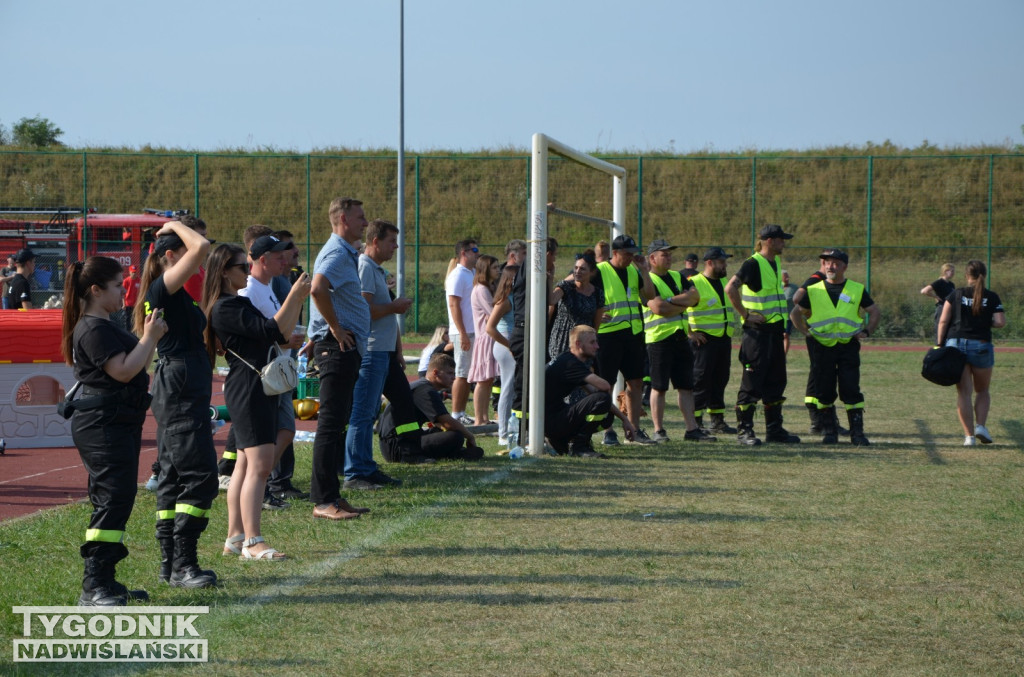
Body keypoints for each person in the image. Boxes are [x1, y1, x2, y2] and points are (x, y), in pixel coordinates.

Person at [62, 256, 167, 605]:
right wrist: (149, 337)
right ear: (95, 290)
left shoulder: (103, 324)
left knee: (116, 497)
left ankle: (105, 580)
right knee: (113, 497)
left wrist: (147, 339)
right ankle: (94, 586)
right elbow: (122, 370)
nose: (124, 291)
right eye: (117, 285)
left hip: (115, 421)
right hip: (102, 423)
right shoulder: (92, 329)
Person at [205, 244, 311, 561]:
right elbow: (272, 329)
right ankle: (253, 541)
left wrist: (296, 299)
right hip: (249, 388)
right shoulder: (225, 307)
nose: (247, 270)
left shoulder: (236, 302)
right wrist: (296, 295)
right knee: (260, 466)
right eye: (241, 266)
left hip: (253, 386)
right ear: (224, 271)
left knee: (246, 466)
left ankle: (235, 538)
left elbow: (275, 334)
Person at [133, 221, 218, 588]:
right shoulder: (163, 288)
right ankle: (184, 564)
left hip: (178, 385)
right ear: (170, 256)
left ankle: (170, 564)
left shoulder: (173, 291)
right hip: (180, 387)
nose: (196, 265)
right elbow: (201, 247)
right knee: (200, 475)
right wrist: (173, 224)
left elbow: (198, 251)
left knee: (171, 474)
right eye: (185, 258)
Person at [308, 197, 373, 520]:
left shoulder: (345, 253)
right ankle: (323, 501)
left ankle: (332, 495)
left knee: (337, 423)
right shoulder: (335, 252)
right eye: (360, 218)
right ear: (344, 220)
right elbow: (317, 288)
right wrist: (334, 328)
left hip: (342, 347)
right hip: (337, 349)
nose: (365, 223)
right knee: (330, 425)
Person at [237, 234, 306, 507]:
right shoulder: (249, 291)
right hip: (263, 375)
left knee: (285, 431)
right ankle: (257, 489)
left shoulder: (267, 286)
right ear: (262, 260)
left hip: (279, 372)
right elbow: (254, 334)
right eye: (278, 257)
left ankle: (258, 485)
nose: (284, 261)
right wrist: (284, 340)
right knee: (260, 443)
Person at [344, 219, 410, 490]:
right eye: (391, 241)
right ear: (375, 242)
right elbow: (364, 310)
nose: (395, 246)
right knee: (362, 412)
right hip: (370, 350)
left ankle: (366, 467)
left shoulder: (375, 269)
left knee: (369, 411)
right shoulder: (366, 268)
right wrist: (393, 307)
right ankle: (355, 472)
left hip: (381, 350)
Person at [790, 249, 881, 445]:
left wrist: (866, 331)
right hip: (822, 347)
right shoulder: (814, 290)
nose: (830, 266)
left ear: (844, 267)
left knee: (851, 388)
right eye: (827, 263)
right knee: (824, 390)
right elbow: (795, 313)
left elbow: (874, 311)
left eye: (835, 263)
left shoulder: (856, 289)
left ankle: (857, 433)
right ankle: (829, 432)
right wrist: (806, 331)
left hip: (848, 346)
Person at [725, 224, 800, 446]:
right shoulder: (753, 263)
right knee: (752, 383)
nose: (783, 243)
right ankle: (744, 431)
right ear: (769, 241)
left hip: (775, 333)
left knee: (776, 381)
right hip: (756, 335)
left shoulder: (774, 262)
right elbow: (731, 288)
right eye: (780, 239)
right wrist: (745, 314)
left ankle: (774, 430)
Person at [643, 239, 716, 443]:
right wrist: (680, 303)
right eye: (664, 254)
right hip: (659, 339)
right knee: (659, 387)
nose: (669, 258)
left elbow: (695, 297)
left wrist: (670, 302)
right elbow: (658, 308)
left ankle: (691, 429)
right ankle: (659, 430)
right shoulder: (647, 280)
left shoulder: (677, 276)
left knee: (686, 386)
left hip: (680, 337)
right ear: (652, 258)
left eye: (670, 254)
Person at [593, 235, 656, 446]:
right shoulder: (599, 270)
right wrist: (594, 315)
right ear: (616, 252)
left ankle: (634, 430)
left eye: (633, 253)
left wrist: (645, 271)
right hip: (608, 336)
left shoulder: (633, 271)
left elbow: (649, 296)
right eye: (628, 253)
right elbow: (579, 290)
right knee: (606, 385)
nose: (631, 257)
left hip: (633, 335)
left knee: (635, 382)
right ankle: (607, 430)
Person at [936, 260, 1006, 446]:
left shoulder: (956, 293)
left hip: (956, 345)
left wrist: (939, 344)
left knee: (963, 393)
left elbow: (943, 321)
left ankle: (969, 437)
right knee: (982, 390)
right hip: (981, 345)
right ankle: (981, 426)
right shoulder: (991, 296)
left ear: (967, 276)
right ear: (984, 274)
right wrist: (984, 323)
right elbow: (1000, 322)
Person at [545, 325, 636, 457]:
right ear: (578, 344)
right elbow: (605, 387)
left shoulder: (568, 359)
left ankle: (564, 440)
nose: (597, 347)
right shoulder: (571, 363)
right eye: (592, 342)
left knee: (607, 414)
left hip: (551, 418)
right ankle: (579, 446)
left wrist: (624, 420)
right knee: (603, 399)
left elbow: (594, 392)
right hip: (550, 422)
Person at [378, 353, 485, 462]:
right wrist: (470, 436)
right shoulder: (425, 391)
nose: (453, 378)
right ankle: (451, 454)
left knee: (441, 431)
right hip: (399, 448)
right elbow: (447, 422)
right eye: (450, 373)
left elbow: (440, 423)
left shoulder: (422, 387)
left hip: (398, 442)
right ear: (435, 373)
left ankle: (454, 453)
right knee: (456, 436)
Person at [686, 247, 738, 435]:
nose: (725, 265)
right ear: (709, 263)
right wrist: (690, 333)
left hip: (723, 338)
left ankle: (717, 420)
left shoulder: (724, 281)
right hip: (704, 341)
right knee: (700, 381)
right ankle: (696, 421)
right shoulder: (694, 283)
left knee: (720, 379)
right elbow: (681, 309)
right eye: (721, 262)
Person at [445, 239, 479, 424]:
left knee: (470, 374)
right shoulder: (457, 275)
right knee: (462, 373)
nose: (478, 253)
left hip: (475, 331)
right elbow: (453, 304)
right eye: (474, 250)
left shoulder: (472, 273)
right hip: (464, 332)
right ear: (464, 253)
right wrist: (463, 333)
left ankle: (463, 413)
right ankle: (456, 414)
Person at [548, 253, 605, 362]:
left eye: (582, 269)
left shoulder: (598, 294)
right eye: (576, 268)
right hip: (562, 342)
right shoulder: (565, 287)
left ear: (592, 272)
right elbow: (551, 300)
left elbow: (595, 326)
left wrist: (591, 343)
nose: (577, 271)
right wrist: (550, 280)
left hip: (583, 345)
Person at [485, 265, 518, 446]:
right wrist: (510, 345)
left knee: (513, 388)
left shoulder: (516, 298)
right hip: (506, 345)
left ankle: (513, 429)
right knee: (507, 388)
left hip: (512, 345)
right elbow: (490, 328)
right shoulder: (504, 301)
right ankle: (503, 433)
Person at [468, 255, 500, 424]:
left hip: (489, 337)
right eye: (495, 268)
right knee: (482, 379)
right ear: (486, 269)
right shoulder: (481, 289)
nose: (498, 270)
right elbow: (493, 312)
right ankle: (479, 418)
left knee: (488, 379)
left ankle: (484, 417)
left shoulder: (488, 287)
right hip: (485, 338)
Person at [921, 263, 956, 333]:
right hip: (942, 307)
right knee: (940, 327)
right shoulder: (939, 282)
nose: (952, 273)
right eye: (950, 271)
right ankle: (938, 343)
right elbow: (924, 291)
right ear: (945, 271)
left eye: (953, 271)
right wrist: (935, 296)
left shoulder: (951, 284)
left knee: (948, 328)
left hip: (949, 308)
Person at [781, 269, 798, 354]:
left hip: (788, 317)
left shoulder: (794, 288)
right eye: (785, 277)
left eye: (788, 277)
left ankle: (783, 355)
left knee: (785, 335)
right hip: (777, 317)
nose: (787, 278)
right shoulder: (776, 287)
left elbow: (800, 298)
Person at [122, 265, 141, 332]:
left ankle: (134, 332)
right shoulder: (126, 281)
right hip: (128, 304)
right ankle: (127, 332)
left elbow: (140, 292)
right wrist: (124, 304)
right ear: (129, 272)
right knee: (127, 319)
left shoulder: (139, 280)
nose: (134, 274)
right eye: (132, 272)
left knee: (135, 319)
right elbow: (123, 294)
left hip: (136, 304)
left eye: (135, 272)